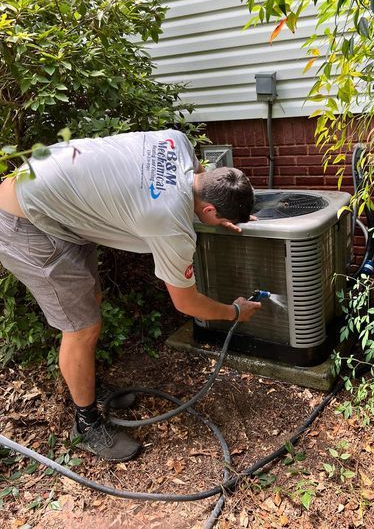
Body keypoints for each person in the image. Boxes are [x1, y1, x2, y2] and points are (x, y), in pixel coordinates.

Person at [0, 129, 261, 462]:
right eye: (217, 216)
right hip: (24, 225)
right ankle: (86, 422)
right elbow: (185, 302)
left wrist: (223, 212)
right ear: (209, 210)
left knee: (90, 306)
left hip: (47, 196)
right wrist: (234, 312)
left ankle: (87, 386)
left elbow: (198, 179)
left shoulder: (177, 141)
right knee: (80, 328)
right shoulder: (169, 222)